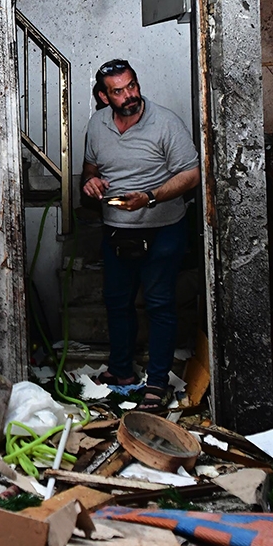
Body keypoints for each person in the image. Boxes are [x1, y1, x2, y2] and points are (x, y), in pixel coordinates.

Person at [81, 59, 200, 412]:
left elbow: (191, 174)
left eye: (132, 85)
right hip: (117, 230)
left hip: (163, 229)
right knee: (117, 302)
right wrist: (91, 181)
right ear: (104, 97)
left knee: (159, 303)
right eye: (119, 91)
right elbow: (90, 168)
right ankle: (121, 372)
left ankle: (157, 382)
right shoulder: (98, 124)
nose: (130, 95)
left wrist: (149, 197)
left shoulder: (165, 122)